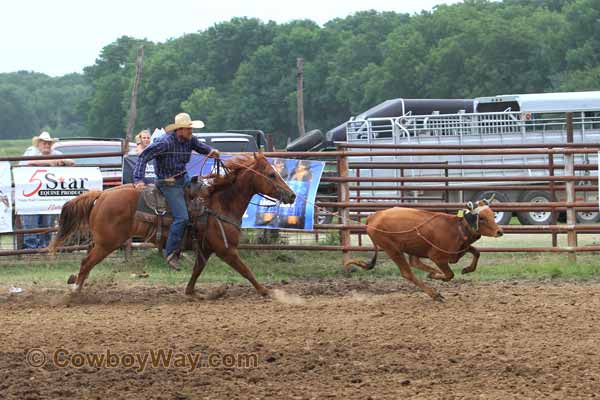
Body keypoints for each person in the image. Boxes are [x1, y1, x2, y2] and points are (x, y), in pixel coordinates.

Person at [133, 113, 220, 270]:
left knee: (205, 197)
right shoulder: (164, 143)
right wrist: (139, 179)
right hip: (167, 184)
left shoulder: (189, 140)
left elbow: (201, 147)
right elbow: (144, 156)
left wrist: (211, 151)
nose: (191, 131)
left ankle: (198, 242)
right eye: (188, 129)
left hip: (183, 179)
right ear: (179, 129)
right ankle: (171, 253)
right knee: (181, 217)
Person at [20, 131, 75, 249]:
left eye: (49, 143)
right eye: (44, 143)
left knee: (47, 222)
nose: (47, 145)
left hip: (46, 194)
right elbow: (28, 162)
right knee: (31, 222)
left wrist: (62, 161)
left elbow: (71, 162)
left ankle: (44, 246)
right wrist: (50, 162)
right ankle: (31, 248)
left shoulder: (56, 153)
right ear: (38, 144)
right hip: (31, 194)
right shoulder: (31, 151)